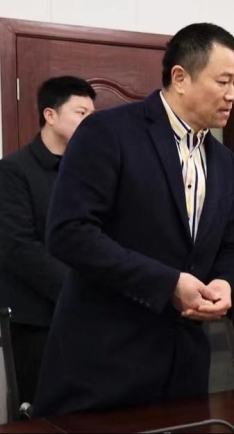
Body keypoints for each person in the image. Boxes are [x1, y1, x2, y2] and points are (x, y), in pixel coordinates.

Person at [32, 23, 234, 417]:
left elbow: (231, 244)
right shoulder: (109, 131)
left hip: (185, 370)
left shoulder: (222, 159)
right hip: (106, 365)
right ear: (180, 78)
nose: (233, 94)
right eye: (223, 81)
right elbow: (69, 232)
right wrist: (168, 284)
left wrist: (226, 282)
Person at [0, 76, 95, 405]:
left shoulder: (89, 170)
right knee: (42, 411)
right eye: (81, 113)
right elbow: (17, 247)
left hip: (90, 316)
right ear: (50, 115)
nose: (90, 122)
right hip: (35, 320)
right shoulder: (12, 171)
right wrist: (77, 288)